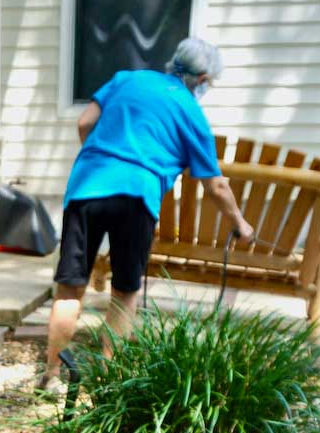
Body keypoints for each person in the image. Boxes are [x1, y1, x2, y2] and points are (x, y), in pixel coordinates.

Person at [41, 36, 254, 391]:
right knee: (124, 293)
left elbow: (84, 123)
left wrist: (104, 159)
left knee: (69, 289)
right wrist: (241, 224)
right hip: (136, 197)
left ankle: (50, 376)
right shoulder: (191, 112)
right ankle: (108, 384)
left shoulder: (127, 79)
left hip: (87, 187)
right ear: (201, 80)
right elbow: (215, 186)